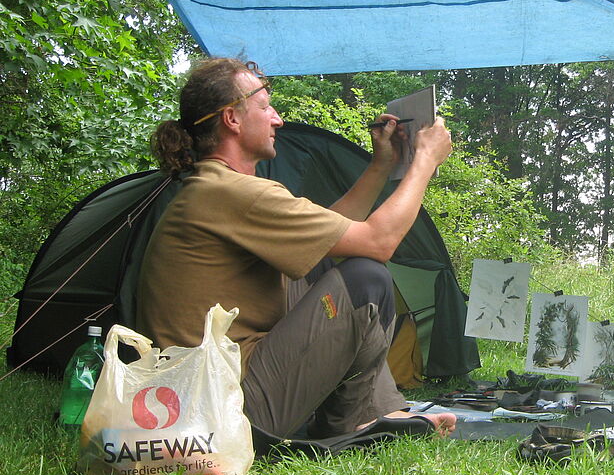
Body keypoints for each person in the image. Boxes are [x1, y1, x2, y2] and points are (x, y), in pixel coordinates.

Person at [136, 57, 456, 440]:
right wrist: (425, 161)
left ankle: (381, 410)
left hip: (201, 399)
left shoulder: (214, 187)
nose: (278, 119)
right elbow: (378, 242)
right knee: (366, 279)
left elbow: (332, 234)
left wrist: (381, 166)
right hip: (227, 412)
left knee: (320, 265)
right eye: (265, 107)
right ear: (232, 119)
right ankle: (354, 422)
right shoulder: (232, 192)